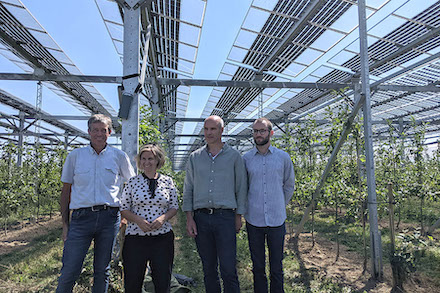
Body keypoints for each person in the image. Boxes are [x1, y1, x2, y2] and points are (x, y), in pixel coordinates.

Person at [57, 114, 135, 293]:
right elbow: (66, 191)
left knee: (102, 269)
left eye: (103, 130)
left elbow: (131, 187)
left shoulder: (119, 156)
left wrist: (125, 215)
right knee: (70, 269)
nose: (99, 134)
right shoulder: (76, 156)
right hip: (81, 218)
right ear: (89, 132)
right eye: (95, 130)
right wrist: (65, 224)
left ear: (109, 132)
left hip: (109, 218)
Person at [182, 115, 247, 293]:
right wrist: (189, 218)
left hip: (225, 217)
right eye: (206, 129)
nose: (209, 133)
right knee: (208, 267)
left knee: (228, 267)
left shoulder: (234, 157)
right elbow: (188, 188)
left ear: (221, 131)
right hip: (201, 218)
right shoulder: (195, 158)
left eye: (213, 129)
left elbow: (241, 188)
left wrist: (238, 216)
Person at [243, 117, 295, 293]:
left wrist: (279, 204)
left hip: (276, 220)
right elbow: (243, 187)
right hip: (254, 220)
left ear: (270, 133)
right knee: (257, 266)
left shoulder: (283, 157)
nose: (258, 134)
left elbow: (289, 186)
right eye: (255, 131)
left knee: (276, 266)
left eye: (262, 131)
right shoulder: (246, 159)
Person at [120, 144, 179, 293]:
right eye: (143, 158)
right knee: (133, 281)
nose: (147, 162)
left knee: (162, 280)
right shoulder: (133, 182)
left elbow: (174, 207)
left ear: (158, 160)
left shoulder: (168, 181)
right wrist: (138, 220)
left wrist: (163, 219)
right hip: (136, 238)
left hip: (162, 238)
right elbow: (124, 208)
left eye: (150, 158)